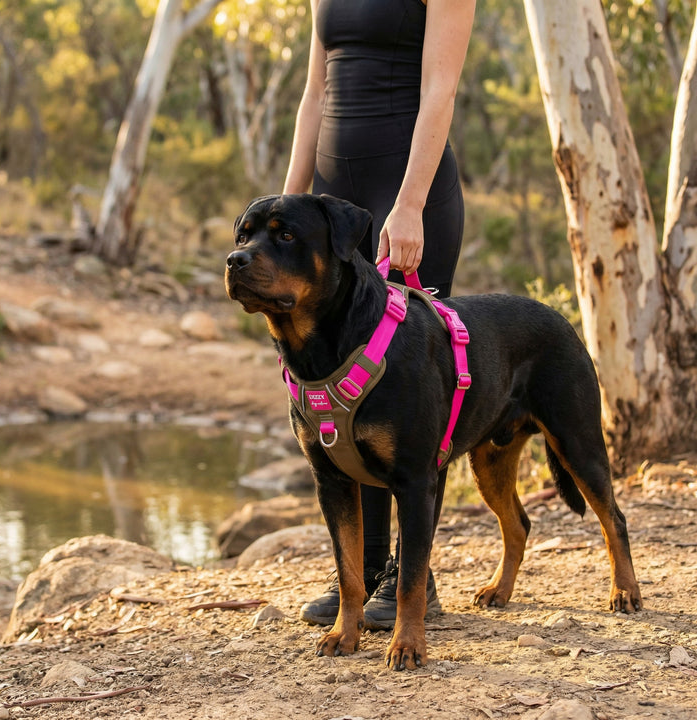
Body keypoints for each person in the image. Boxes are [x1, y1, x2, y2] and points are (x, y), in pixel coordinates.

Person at [282, 0, 475, 630]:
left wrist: (411, 203)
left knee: (409, 392)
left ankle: (414, 580)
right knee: (341, 391)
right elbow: (315, 93)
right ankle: (359, 579)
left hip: (408, 195)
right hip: (335, 210)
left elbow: (440, 87)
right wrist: (288, 210)